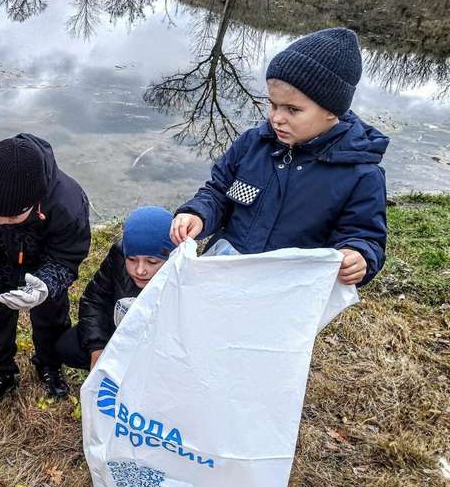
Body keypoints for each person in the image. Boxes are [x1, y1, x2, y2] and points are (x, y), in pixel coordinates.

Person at [170, 27, 388, 286]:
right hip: (224, 270)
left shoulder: (361, 174)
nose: (277, 117)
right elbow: (218, 193)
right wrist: (198, 214)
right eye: (273, 104)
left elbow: (363, 234)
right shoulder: (253, 144)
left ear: (331, 111)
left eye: (292, 110)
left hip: (288, 288)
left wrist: (358, 255)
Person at [0, 134, 91, 402]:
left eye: (11, 216)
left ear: (36, 202)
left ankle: (49, 366)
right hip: (0, 256)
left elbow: (67, 256)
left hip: (44, 260)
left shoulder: (68, 202)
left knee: (51, 314)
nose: (1, 221)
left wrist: (45, 285)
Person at [57, 206, 176, 371]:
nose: (140, 270)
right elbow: (94, 300)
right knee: (69, 346)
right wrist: (97, 348)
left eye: (152, 262)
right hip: (122, 334)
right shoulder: (118, 255)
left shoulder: (184, 278)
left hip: (158, 348)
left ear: (172, 257)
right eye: (132, 259)